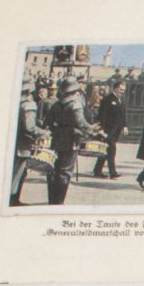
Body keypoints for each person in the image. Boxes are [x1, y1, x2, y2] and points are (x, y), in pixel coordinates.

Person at [42, 76, 95, 204]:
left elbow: (47, 122)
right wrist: (92, 129)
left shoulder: (56, 104)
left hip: (57, 138)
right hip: (71, 139)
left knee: (55, 169)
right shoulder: (75, 104)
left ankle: (52, 199)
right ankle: (59, 201)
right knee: (65, 171)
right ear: (74, 90)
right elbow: (81, 123)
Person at [93, 83, 127, 177]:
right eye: (121, 89)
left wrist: (124, 126)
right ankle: (113, 172)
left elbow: (123, 114)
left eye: (124, 90)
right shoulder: (108, 99)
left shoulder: (121, 99)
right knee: (112, 150)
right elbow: (102, 115)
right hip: (108, 130)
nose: (122, 92)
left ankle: (97, 170)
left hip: (116, 130)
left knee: (106, 150)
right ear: (115, 88)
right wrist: (101, 129)